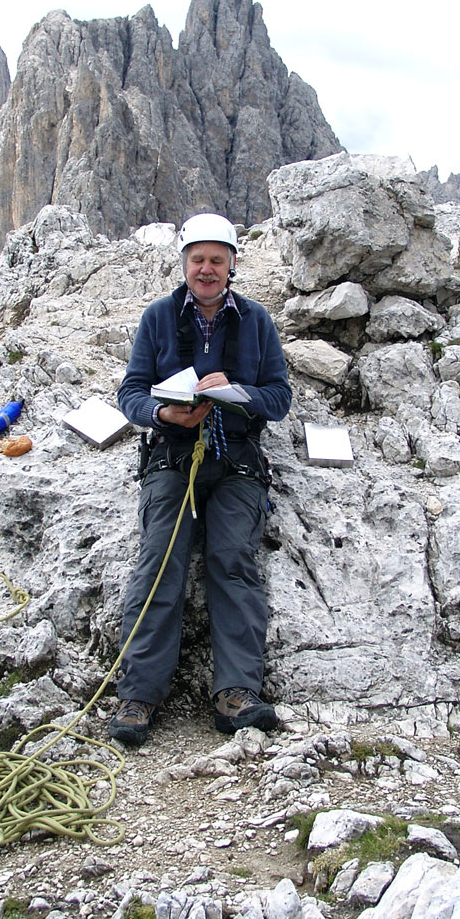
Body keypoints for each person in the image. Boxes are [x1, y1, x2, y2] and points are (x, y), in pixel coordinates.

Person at [111, 213, 292, 745]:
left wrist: (237, 392)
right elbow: (132, 393)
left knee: (232, 561)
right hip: (173, 455)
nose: (207, 269)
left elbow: (278, 397)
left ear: (232, 264)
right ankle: (138, 695)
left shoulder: (256, 321)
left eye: (217, 259)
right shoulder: (159, 318)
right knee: (159, 561)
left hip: (236, 459)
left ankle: (237, 693)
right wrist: (166, 415)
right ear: (185, 263)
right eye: (198, 259)